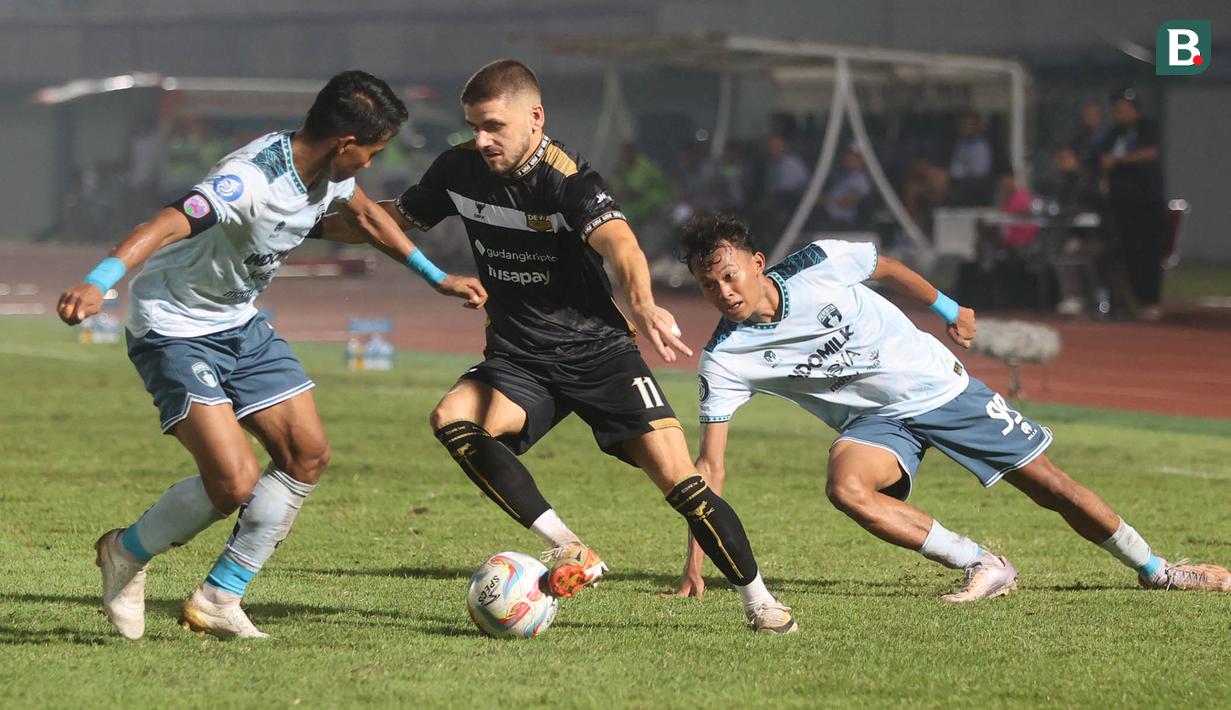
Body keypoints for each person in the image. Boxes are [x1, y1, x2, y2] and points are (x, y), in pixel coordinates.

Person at [327, 59, 797, 633]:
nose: (481, 139)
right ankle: (569, 545)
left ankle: (761, 602)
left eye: (494, 126)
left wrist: (644, 302)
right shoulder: (458, 169)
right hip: (521, 355)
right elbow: (390, 219)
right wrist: (293, 220)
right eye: (474, 125)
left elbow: (620, 245)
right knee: (453, 417)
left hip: (600, 353)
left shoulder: (568, 178)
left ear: (535, 117)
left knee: (680, 481)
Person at [57, 70, 487, 641]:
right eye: (372, 153)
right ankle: (125, 551)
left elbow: (363, 215)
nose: (371, 166)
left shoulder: (326, 172)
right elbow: (162, 223)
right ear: (345, 144)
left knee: (306, 453)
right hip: (175, 328)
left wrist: (435, 277)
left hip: (240, 324)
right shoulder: (249, 180)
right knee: (233, 481)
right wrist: (98, 281)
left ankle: (218, 597)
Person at [668, 213, 1231, 600]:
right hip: (877, 423)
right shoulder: (726, 357)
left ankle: (1156, 571)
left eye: (729, 275)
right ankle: (983, 563)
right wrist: (697, 559)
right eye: (707, 286)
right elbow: (710, 468)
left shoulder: (822, 263)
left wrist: (948, 306)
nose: (724, 293)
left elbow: (884, 267)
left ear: (758, 262)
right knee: (846, 488)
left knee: (1050, 487)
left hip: (940, 389)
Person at [1101, 87, 1168, 321]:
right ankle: (1131, 303)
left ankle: (1150, 300)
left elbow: (1150, 153)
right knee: (1127, 253)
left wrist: (1119, 160)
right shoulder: (1113, 133)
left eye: (1125, 109)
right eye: (1117, 110)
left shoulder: (1148, 127)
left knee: (1148, 252)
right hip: (1121, 204)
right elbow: (1101, 158)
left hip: (1146, 201)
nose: (1120, 114)